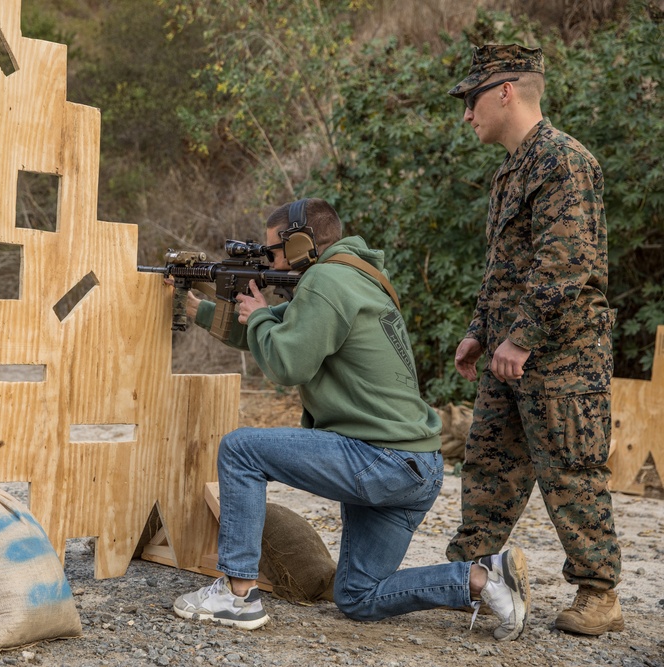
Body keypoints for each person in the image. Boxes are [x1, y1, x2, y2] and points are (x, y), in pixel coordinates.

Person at [169, 198, 531, 641]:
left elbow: (286, 363)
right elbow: (276, 328)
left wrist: (261, 315)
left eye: (275, 252)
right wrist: (198, 308)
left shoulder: (324, 280)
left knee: (241, 450)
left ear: (302, 242)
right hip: (416, 468)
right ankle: (483, 579)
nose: (270, 262)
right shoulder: (355, 277)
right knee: (359, 596)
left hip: (382, 459)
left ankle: (236, 593)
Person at [445, 44, 624, 636]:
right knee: (488, 466)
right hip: (508, 353)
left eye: (471, 100)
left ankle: (600, 596)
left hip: (563, 356)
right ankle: (469, 577)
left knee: (572, 472)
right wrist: (479, 333)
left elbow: (567, 265)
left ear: (505, 92)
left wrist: (521, 337)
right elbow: (503, 269)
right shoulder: (511, 170)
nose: (466, 115)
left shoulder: (564, 161)